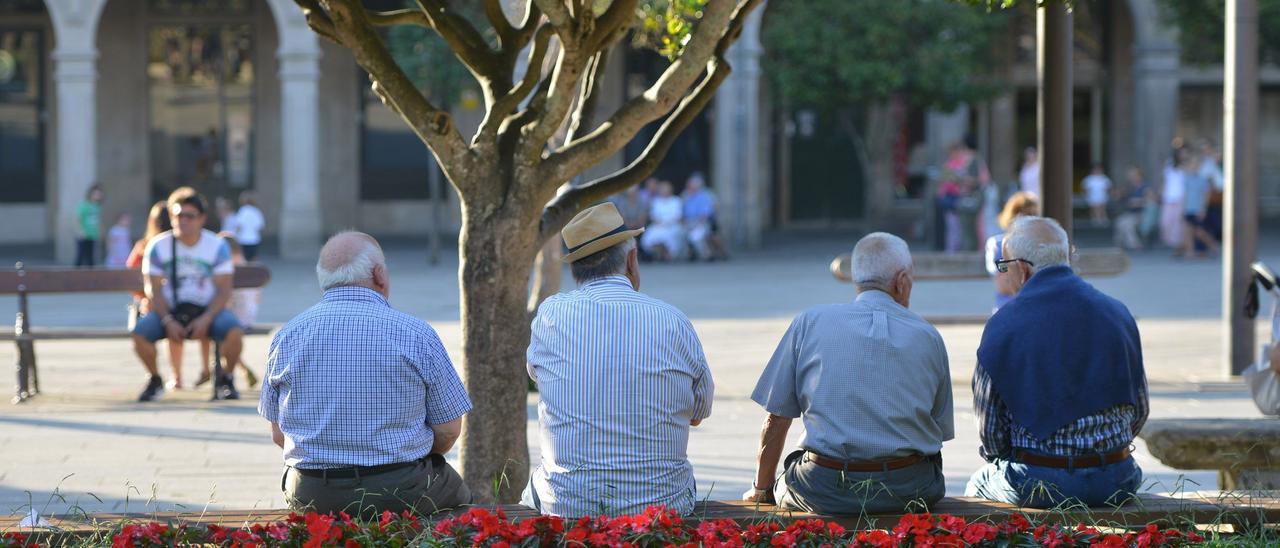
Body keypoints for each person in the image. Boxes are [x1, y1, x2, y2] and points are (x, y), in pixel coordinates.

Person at [261, 231, 471, 516]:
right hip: (400, 489)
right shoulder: (415, 333)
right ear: (379, 274)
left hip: (311, 492)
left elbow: (278, 434)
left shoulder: (287, 335)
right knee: (461, 497)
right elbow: (448, 430)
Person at [526, 203, 714, 517]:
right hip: (663, 506)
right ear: (631, 261)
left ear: (575, 270)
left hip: (568, 506)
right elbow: (698, 412)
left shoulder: (549, 315)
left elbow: (539, 378)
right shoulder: (672, 320)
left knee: (535, 486)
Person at [745, 232, 952, 514]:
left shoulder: (809, 322)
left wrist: (762, 489)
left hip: (823, 487)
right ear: (902, 281)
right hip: (909, 490)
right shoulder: (928, 336)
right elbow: (939, 430)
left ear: (856, 278)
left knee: (792, 471)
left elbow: (777, 418)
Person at [966, 217, 1148, 508]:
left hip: (1038, 481)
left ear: (1022, 268)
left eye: (1005, 266)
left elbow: (991, 434)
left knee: (978, 483)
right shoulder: (1118, 314)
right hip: (1116, 478)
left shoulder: (1004, 325)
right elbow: (1139, 410)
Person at [132, 187, 243, 402]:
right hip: (171, 310)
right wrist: (166, 319)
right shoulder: (159, 246)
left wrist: (207, 318)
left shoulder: (216, 246)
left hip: (208, 309)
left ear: (202, 218)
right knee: (140, 335)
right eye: (177, 215)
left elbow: (224, 289)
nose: (182, 221)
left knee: (234, 332)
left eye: (189, 216)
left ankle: (226, 378)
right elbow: (153, 289)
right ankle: (155, 379)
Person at [127, 201, 211, 388]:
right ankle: (205, 369)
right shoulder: (159, 246)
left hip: (162, 305)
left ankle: (176, 376)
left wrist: (145, 297)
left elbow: (130, 271)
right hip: (175, 306)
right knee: (180, 324)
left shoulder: (145, 245)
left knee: (176, 326)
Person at [217, 232, 260, 389]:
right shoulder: (244, 263)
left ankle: (229, 370)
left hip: (237, 315)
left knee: (218, 335)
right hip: (249, 315)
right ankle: (239, 368)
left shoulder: (227, 263)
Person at [985, 192, 1040, 313]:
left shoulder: (1042, 244)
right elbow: (1004, 285)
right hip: (1009, 309)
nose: (1029, 219)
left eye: (1034, 214)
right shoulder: (999, 244)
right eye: (1023, 214)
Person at [1178, 155, 1219, 258]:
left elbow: (1205, 196)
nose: (1193, 167)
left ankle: (1213, 246)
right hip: (1188, 208)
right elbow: (1185, 195)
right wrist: (1183, 208)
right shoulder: (1187, 179)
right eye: (1191, 165)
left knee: (1200, 232)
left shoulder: (1202, 180)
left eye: (1195, 165)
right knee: (1188, 231)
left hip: (1198, 209)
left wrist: (1203, 209)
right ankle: (1190, 251)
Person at [681, 173, 726, 261]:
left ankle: (710, 253)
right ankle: (693, 253)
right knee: (685, 232)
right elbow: (681, 209)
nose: (691, 186)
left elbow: (712, 208)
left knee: (701, 233)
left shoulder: (707, 194)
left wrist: (702, 219)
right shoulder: (685, 195)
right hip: (689, 221)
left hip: (706, 220)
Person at [639, 180, 686, 261]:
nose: (664, 191)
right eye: (662, 189)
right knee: (650, 235)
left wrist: (668, 222)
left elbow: (678, 216)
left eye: (666, 189)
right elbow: (653, 215)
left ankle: (669, 254)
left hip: (672, 225)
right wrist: (659, 222)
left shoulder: (676, 200)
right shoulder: (656, 201)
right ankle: (659, 252)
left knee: (671, 234)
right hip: (658, 225)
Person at [1114, 167, 1151, 251]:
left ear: (1140, 175)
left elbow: (1151, 200)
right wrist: (1118, 194)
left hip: (1142, 214)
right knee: (1119, 222)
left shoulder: (1145, 186)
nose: (1131, 177)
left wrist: (1138, 202)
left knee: (1127, 224)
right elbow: (1119, 196)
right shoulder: (1129, 186)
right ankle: (1119, 244)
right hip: (1131, 214)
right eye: (1130, 175)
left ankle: (1135, 245)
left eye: (1133, 175)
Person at [75, 184, 104, 268]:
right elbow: (78, 218)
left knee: (91, 257)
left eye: (99, 194)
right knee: (81, 256)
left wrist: (100, 231)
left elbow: (98, 221)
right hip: (83, 235)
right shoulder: (85, 205)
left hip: (92, 235)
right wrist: (80, 230)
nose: (97, 196)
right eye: (95, 194)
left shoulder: (98, 206)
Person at [233, 191, 265, 261]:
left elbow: (239, 226)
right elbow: (260, 227)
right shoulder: (257, 211)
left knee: (244, 260)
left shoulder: (242, 211)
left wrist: (235, 237)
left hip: (243, 240)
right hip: (254, 239)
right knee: (253, 260)